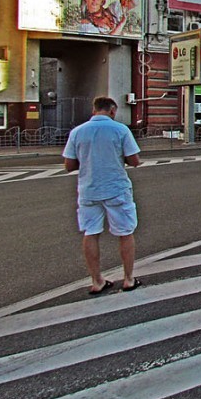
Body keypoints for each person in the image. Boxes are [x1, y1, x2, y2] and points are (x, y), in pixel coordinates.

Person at [62, 96, 142, 294]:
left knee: (91, 233)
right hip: (116, 188)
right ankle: (128, 279)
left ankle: (97, 281)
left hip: (88, 189)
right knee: (125, 232)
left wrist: (89, 159)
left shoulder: (77, 132)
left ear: (94, 110)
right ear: (113, 111)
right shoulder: (121, 130)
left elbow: (69, 165)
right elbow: (134, 161)